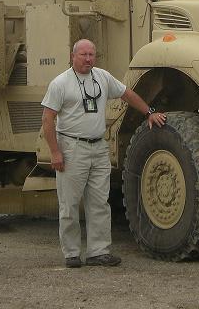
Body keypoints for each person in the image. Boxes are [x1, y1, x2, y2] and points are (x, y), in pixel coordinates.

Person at [41, 39, 166, 268]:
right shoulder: (60, 84)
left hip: (98, 147)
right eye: (83, 55)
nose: (88, 59)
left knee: (99, 202)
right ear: (73, 56)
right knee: (69, 204)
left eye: (91, 55)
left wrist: (149, 112)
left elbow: (127, 94)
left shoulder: (102, 77)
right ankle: (71, 253)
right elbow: (47, 120)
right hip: (72, 147)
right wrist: (55, 152)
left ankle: (98, 252)